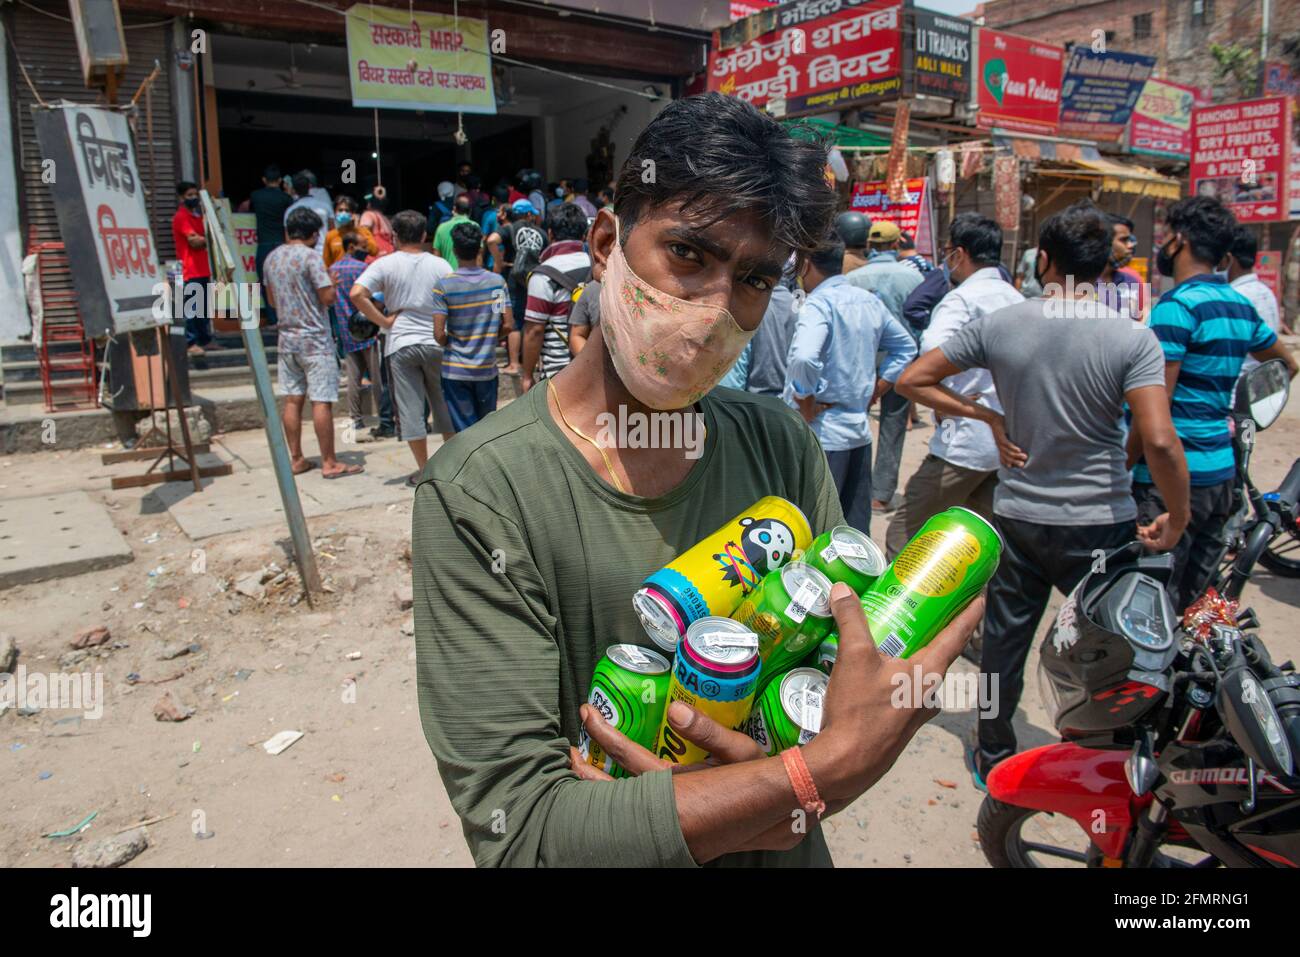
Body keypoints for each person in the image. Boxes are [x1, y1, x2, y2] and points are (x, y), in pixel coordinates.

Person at [413, 92, 981, 868]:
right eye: (689, 255)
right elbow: (532, 835)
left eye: (753, 278)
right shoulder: (481, 492)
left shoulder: (778, 444)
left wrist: (757, 784)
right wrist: (810, 774)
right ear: (608, 244)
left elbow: (834, 705)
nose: (714, 310)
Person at [897, 201, 1190, 786]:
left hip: (1020, 517)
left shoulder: (1003, 324)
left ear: (1045, 261)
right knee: (1112, 645)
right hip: (1101, 520)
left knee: (1004, 643)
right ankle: (1109, 753)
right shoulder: (1133, 338)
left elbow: (912, 379)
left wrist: (986, 416)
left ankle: (992, 749)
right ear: (1106, 267)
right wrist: (1177, 516)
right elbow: (1158, 438)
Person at [1129, 196, 1298, 612]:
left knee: (1152, 604)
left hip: (1171, 480)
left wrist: (1123, 461)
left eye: (1167, 237)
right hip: (1223, 477)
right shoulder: (1239, 306)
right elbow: (1285, 365)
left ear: (1180, 241)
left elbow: (1157, 407)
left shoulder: (1176, 308)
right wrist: (1238, 412)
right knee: (1193, 606)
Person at [885, 213, 1023, 559]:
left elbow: (930, 350)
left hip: (964, 441)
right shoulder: (1015, 299)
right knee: (978, 547)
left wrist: (952, 393)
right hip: (1004, 444)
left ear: (959, 253)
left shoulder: (962, 298)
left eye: (948, 252)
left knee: (903, 536)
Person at [785, 235, 916, 531]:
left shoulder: (818, 304)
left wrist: (804, 399)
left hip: (823, 434)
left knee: (814, 529)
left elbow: (805, 357)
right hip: (858, 431)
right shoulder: (868, 301)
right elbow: (906, 346)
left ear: (805, 266)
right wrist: (878, 388)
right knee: (854, 528)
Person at [350, 210, 456, 485]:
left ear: (394, 236)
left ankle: (425, 470)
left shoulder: (386, 264)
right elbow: (454, 299)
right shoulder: (441, 265)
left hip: (400, 342)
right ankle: (455, 466)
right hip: (436, 341)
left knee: (410, 409)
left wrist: (383, 321)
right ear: (424, 235)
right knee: (443, 406)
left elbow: (356, 293)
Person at [263, 208, 363, 479]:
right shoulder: (311, 258)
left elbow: (271, 301)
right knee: (322, 400)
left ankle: (295, 458)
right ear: (314, 233)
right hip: (315, 340)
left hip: (287, 339)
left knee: (292, 400)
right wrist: (330, 283)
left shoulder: (272, 258)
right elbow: (328, 297)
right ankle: (329, 462)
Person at [844, 221, 925, 513]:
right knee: (892, 426)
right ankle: (880, 494)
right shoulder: (912, 277)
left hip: (859, 362)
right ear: (895, 245)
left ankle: (850, 488)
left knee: (853, 425)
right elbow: (920, 322)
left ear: (870, 245)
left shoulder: (853, 277)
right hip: (900, 361)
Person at [432, 222, 512, 431]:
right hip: (487, 369)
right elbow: (508, 324)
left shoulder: (444, 286)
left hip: (455, 371)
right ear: (479, 249)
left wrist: (453, 342)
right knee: (487, 431)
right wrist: (489, 337)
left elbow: (439, 334)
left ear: (455, 251)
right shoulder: (497, 283)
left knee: (465, 434)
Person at [521, 203, 590, 390]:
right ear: (584, 235)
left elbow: (534, 331)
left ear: (550, 234)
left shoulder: (543, 275)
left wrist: (527, 375)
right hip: (597, 369)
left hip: (559, 374)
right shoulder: (599, 268)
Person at [329, 231, 382, 434]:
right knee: (376, 375)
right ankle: (384, 416)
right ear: (351, 246)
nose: (366, 249)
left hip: (345, 329)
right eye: (362, 245)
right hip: (367, 328)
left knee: (353, 377)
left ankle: (355, 417)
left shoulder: (332, 270)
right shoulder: (363, 269)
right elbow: (374, 297)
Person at [1225, 225, 1282, 373]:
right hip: (1261, 382)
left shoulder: (1235, 297)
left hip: (1240, 386)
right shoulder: (1265, 292)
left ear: (1229, 259)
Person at [170, 181, 212, 356]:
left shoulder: (197, 217)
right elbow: (194, 241)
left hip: (202, 269)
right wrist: (211, 237)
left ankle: (205, 340)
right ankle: (191, 343)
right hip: (187, 270)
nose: (193, 198)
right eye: (189, 195)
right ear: (181, 198)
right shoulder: (181, 217)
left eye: (195, 194)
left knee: (202, 309)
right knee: (190, 310)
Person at [250, 164, 294, 322]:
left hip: (264, 245)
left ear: (264, 180)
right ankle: (286, 316)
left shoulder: (256, 196)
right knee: (285, 282)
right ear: (280, 180)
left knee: (265, 282)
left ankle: (272, 317)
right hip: (282, 245)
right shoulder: (285, 199)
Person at [1096, 213, 1144, 320]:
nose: (1130, 245)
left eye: (1130, 240)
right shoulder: (1080, 282)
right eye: (1123, 240)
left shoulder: (1132, 282)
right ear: (1103, 242)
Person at [284, 172, 331, 257]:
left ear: (294, 190)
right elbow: (332, 232)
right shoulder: (325, 207)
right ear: (309, 187)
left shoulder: (290, 210)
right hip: (323, 253)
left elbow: (288, 239)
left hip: (299, 256)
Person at [324, 196, 377, 269]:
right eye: (340, 210)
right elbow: (326, 263)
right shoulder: (331, 235)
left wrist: (357, 229)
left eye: (347, 210)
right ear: (335, 212)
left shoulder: (363, 231)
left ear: (353, 213)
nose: (343, 213)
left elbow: (374, 251)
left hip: (359, 274)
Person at [433, 194, 474, 266]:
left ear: (454, 209)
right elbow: (479, 254)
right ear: (470, 210)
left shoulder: (441, 227)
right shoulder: (475, 226)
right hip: (469, 275)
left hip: (448, 274)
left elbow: (436, 256)